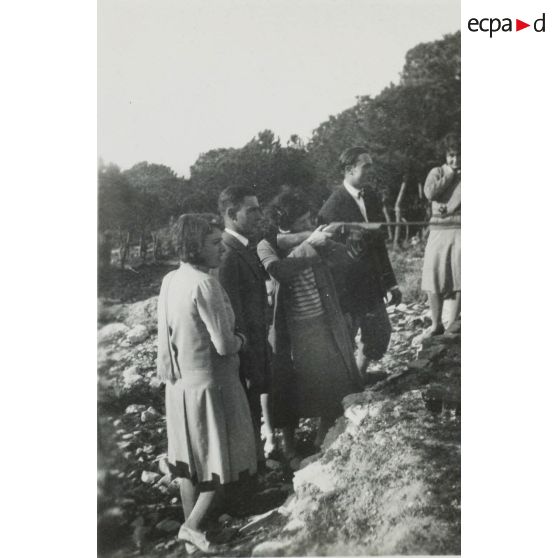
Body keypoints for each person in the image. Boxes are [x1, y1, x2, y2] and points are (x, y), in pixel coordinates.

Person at [157, 215, 257, 553]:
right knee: (219, 461)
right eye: (214, 243)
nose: (222, 249)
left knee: (190, 466)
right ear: (194, 246)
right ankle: (191, 527)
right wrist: (244, 339)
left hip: (180, 387)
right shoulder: (205, 284)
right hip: (213, 387)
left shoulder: (171, 279)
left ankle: (195, 540)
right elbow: (224, 345)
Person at [258, 191, 362, 461]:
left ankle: (321, 439)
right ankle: (289, 447)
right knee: (288, 389)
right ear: (286, 223)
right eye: (303, 221)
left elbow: (346, 261)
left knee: (333, 383)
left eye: (309, 220)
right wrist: (309, 243)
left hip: (321, 322)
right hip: (290, 330)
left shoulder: (314, 239)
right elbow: (280, 271)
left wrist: (341, 239)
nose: (309, 224)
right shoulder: (266, 246)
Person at [318, 146, 401, 378]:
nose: (371, 171)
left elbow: (379, 245)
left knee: (380, 333)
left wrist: (391, 283)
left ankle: (359, 376)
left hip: (372, 285)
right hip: (347, 289)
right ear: (349, 169)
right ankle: (342, 387)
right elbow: (327, 255)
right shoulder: (332, 207)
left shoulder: (371, 197)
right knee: (344, 340)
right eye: (366, 166)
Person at [217, 186, 274, 463]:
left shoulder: (243, 246)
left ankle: (257, 463)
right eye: (251, 210)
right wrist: (249, 355)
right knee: (247, 409)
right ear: (231, 214)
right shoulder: (227, 252)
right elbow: (233, 313)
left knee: (253, 407)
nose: (259, 215)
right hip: (246, 350)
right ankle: (254, 467)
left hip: (255, 343)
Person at [421, 133, 461, 336]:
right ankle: (436, 323)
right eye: (452, 155)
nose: (456, 160)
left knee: (460, 278)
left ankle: (452, 324)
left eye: (460, 155)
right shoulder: (437, 172)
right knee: (433, 276)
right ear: (446, 155)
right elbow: (430, 193)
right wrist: (450, 176)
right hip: (438, 230)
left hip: (460, 230)